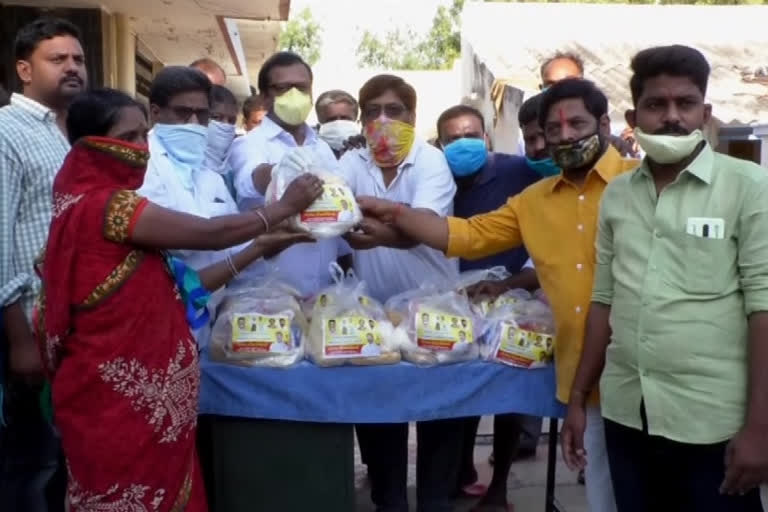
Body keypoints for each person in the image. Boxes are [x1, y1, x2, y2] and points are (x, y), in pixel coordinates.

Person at [357, 78, 642, 512]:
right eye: (554, 129)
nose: (565, 136)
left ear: (605, 124)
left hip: (651, 375)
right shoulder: (533, 202)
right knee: (609, 498)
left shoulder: (640, 184)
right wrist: (395, 211)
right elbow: (467, 235)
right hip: (587, 382)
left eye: (578, 124)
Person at [38, 87, 320, 511]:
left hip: (149, 409)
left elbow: (186, 286)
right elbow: (210, 233)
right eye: (129, 137)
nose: (141, 148)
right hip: (118, 407)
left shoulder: (99, 207)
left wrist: (259, 248)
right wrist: (282, 208)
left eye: (142, 135)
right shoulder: (106, 207)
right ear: (94, 144)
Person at [563, 45, 768, 512]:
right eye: (657, 105)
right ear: (634, 117)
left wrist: (761, 428)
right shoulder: (617, 195)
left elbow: (764, 307)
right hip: (626, 415)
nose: (672, 117)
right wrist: (578, 398)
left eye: (686, 103)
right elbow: (603, 300)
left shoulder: (748, 186)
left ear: (706, 112)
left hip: (712, 421)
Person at [340, 74, 460, 512]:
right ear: (361, 117)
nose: (383, 120)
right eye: (372, 111)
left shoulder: (431, 161)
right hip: (373, 317)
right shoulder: (353, 163)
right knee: (378, 424)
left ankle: (435, 503)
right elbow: (332, 215)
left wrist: (371, 224)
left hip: (435, 309)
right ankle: (389, 501)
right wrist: (383, 222)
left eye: (394, 110)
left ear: (413, 115)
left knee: (440, 421)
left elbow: (423, 228)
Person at [0, 17, 88, 512]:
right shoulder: (6, 132)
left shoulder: (79, 129)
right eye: (58, 59)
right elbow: (0, 240)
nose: (72, 68)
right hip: (31, 324)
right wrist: (19, 338)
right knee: (35, 462)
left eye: (77, 58)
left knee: (72, 458)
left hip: (78, 327)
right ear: (24, 69)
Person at [435, 104, 541, 511]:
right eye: (451, 138)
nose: (462, 144)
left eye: (470, 135)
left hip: (514, 299)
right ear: (439, 143)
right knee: (459, 390)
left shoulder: (519, 171)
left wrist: (513, 283)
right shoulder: (436, 176)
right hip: (454, 301)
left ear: (486, 138)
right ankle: (460, 472)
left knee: (508, 394)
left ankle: (499, 488)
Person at [138, 67, 253, 351]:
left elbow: (235, 243)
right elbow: (187, 240)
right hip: (153, 323)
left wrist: (283, 227)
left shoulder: (208, 172)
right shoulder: (140, 165)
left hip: (205, 322)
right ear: (155, 112)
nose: (193, 122)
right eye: (182, 112)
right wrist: (269, 221)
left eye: (202, 115)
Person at [228, 51, 352, 298]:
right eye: (283, 88)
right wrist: (279, 172)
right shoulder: (249, 145)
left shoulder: (321, 147)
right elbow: (251, 180)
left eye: (301, 88)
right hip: (266, 295)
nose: (293, 95)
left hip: (323, 292)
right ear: (264, 96)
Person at [315, 89, 360, 158]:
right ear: (319, 127)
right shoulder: (309, 157)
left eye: (345, 118)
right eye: (331, 120)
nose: (338, 124)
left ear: (357, 123)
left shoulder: (370, 154)